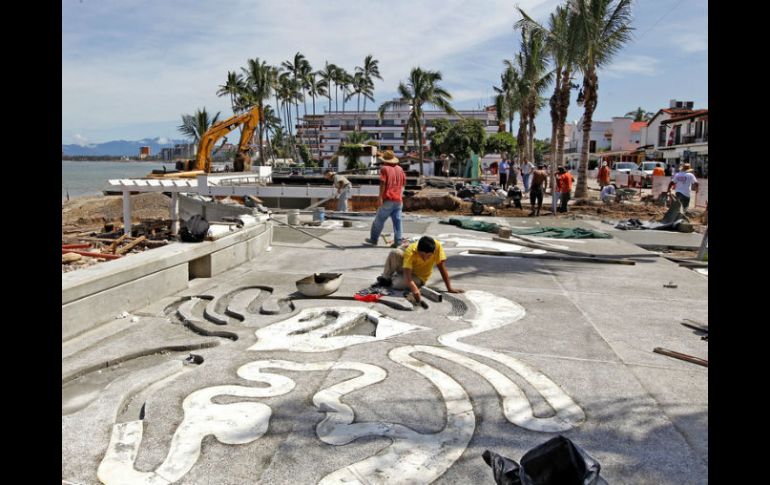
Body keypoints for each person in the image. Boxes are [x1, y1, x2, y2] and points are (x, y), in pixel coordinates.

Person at [376, 236, 463, 304]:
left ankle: (393, 278)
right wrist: (414, 289)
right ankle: (385, 278)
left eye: (428, 256)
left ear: (433, 252)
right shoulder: (410, 251)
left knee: (397, 283)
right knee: (394, 253)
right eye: (422, 255)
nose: (425, 258)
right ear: (418, 250)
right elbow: (408, 276)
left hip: (419, 277)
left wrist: (449, 288)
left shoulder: (437, 247)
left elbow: (442, 268)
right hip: (408, 271)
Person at [365, 150, 406, 247]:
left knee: (379, 220)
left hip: (388, 199)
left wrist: (380, 197)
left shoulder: (384, 168)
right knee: (397, 221)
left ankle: (373, 239)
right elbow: (404, 182)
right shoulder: (400, 169)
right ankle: (398, 241)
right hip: (398, 200)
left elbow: (382, 183)